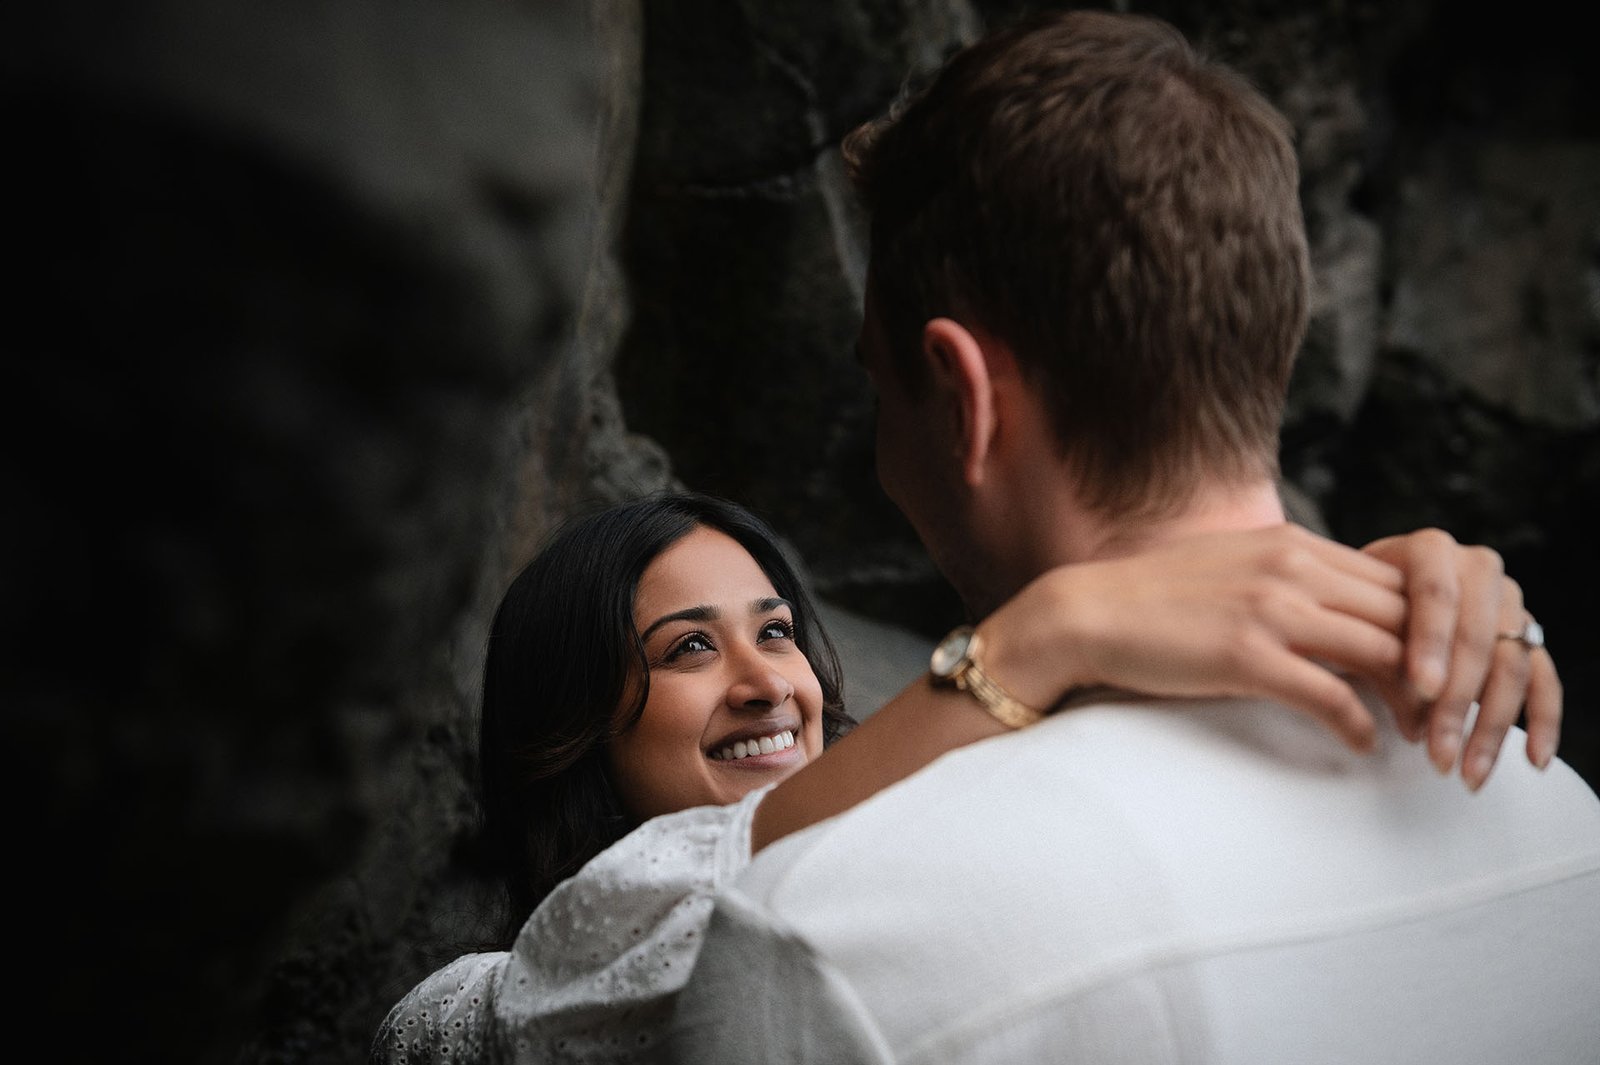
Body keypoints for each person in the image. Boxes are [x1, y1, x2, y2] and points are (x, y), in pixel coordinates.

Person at [667, 11, 1600, 1064]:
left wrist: (1009, 652)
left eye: (879, 389)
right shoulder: (1561, 817)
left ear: (963, 397)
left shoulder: (830, 936)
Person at [373, 487, 1557, 1065]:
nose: (761, 681)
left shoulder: (929, 846)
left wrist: (1403, 611)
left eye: (777, 631)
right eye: (689, 648)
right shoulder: (459, 1014)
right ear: (572, 730)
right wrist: (1043, 633)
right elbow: (623, 939)